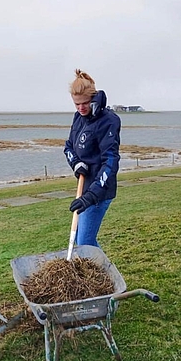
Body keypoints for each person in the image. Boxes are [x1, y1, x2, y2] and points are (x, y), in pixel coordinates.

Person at [64, 69, 121, 247]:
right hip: (84, 186)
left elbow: (110, 162)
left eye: (85, 103)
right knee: (84, 241)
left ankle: (105, 274)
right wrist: (76, 163)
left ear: (94, 98)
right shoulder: (79, 118)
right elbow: (68, 147)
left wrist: (91, 196)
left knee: (84, 243)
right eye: (76, 104)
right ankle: (101, 273)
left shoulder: (108, 121)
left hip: (100, 190)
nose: (81, 108)